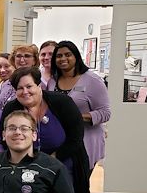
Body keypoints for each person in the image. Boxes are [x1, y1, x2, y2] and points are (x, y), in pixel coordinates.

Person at [0, 67, 91, 193]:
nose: (25, 92)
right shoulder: (11, 108)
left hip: (66, 163)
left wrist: (50, 161)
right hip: (29, 166)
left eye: (29, 86)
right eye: (19, 88)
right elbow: (5, 138)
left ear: (39, 85)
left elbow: (76, 138)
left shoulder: (62, 102)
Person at [46, 40, 111, 171]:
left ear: (76, 56)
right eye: (59, 56)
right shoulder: (53, 81)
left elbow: (105, 112)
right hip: (61, 142)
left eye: (68, 54)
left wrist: (76, 118)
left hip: (86, 141)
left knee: (79, 184)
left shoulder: (92, 80)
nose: (63, 58)